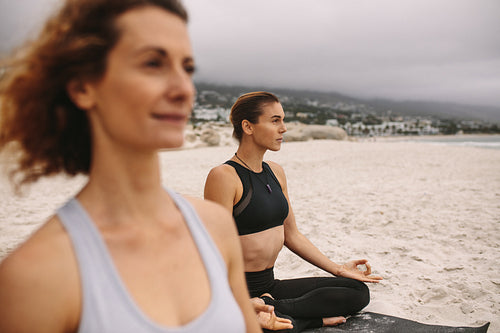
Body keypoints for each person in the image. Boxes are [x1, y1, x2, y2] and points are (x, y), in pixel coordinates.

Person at [0, 1, 262, 332]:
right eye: (153, 63)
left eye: (188, 68)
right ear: (84, 87)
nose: (184, 89)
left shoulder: (215, 228)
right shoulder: (36, 277)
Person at [204, 91, 383, 332]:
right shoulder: (224, 176)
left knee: (357, 291)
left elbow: (292, 235)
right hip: (238, 288)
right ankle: (276, 316)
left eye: (283, 120)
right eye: (275, 120)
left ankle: (269, 308)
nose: (284, 128)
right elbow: (215, 249)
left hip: (269, 287)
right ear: (248, 126)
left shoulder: (275, 172)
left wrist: (339, 269)